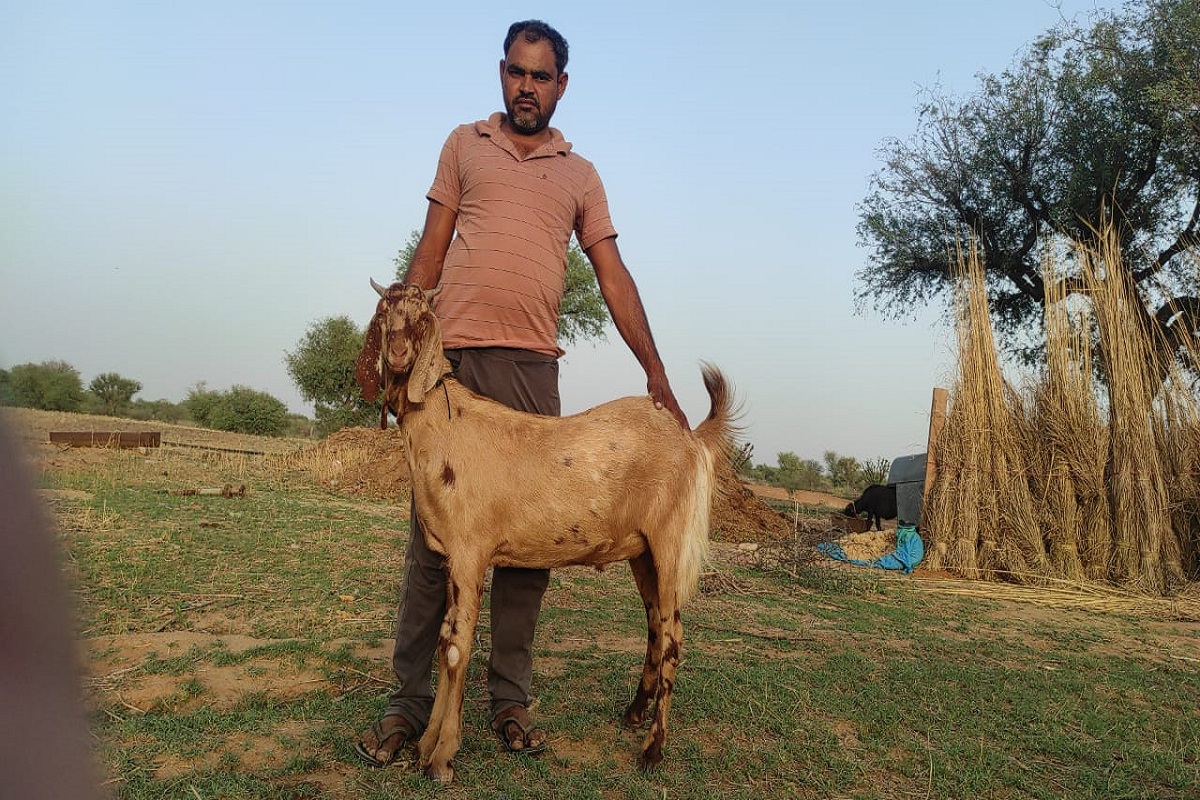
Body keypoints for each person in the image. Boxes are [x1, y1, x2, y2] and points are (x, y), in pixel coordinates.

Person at [354, 19, 688, 768]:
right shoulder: (464, 145)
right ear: (500, 74)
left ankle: (509, 702)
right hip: (452, 372)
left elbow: (612, 275)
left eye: (540, 76)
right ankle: (408, 707)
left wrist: (656, 374)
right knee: (433, 545)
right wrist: (395, 332)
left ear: (561, 85)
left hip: (530, 369)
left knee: (527, 552)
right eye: (515, 72)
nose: (526, 87)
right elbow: (431, 247)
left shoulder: (580, 175)